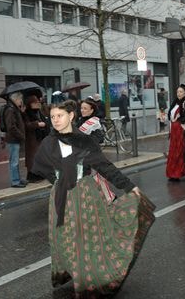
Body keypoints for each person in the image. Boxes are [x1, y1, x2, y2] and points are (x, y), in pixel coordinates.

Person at [31, 100, 155, 297]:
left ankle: (88, 278)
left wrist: (129, 186)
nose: (55, 120)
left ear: (71, 116)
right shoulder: (49, 142)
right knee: (63, 237)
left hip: (83, 194)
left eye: (60, 115)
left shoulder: (83, 141)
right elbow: (38, 166)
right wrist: (56, 179)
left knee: (84, 237)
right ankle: (71, 271)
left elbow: (104, 166)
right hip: (60, 197)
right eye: (52, 117)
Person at [166, 84, 185, 181]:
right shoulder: (176, 102)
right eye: (177, 92)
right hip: (174, 130)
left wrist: (181, 119)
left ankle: (177, 173)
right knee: (174, 151)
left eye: (181, 92)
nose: (178, 94)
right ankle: (173, 173)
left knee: (180, 151)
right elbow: (170, 114)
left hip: (181, 130)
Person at [3, 92, 28, 188]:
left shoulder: (14, 109)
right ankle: (15, 181)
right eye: (20, 100)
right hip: (13, 139)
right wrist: (21, 136)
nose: (21, 102)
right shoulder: (10, 109)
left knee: (15, 160)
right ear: (16, 99)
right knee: (14, 161)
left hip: (14, 139)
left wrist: (21, 112)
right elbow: (11, 127)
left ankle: (17, 178)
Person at [23, 95, 49, 183]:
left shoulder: (39, 112)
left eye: (38, 102)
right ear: (30, 104)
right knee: (32, 158)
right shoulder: (27, 113)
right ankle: (32, 176)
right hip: (32, 139)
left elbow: (45, 121)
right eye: (35, 102)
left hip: (40, 137)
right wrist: (37, 124)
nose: (38, 104)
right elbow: (27, 125)